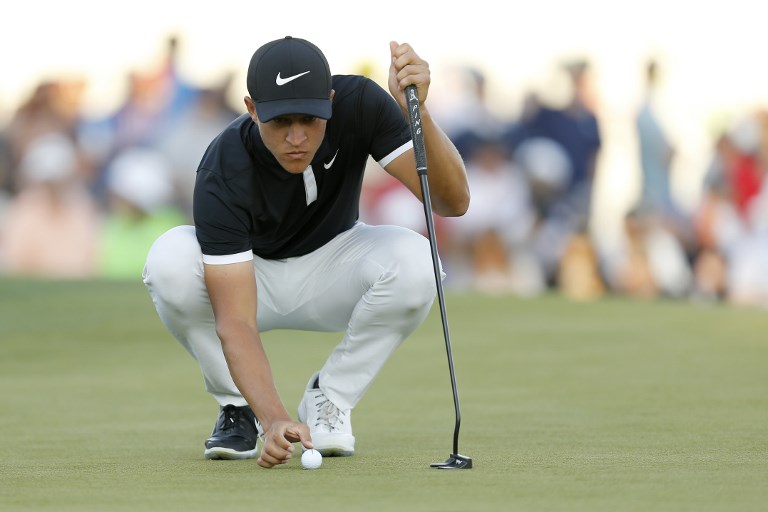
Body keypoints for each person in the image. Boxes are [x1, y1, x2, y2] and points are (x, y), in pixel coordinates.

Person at [142, 36, 469, 469]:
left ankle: (330, 397)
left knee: (418, 261)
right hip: (250, 278)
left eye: (311, 119)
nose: (297, 137)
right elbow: (236, 321)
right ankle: (239, 407)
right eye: (280, 122)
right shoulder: (223, 166)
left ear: (331, 102)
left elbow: (452, 202)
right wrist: (274, 416)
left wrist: (419, 112)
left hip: (336, 265)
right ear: (252, 108)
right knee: (169, 258)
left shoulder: (361, 105)